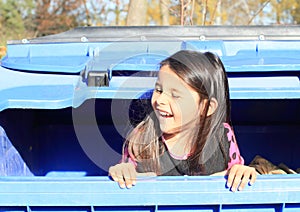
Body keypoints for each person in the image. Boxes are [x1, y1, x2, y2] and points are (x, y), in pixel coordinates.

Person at [109, 50, 257, 191]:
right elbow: (125, 176)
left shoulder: (222, 136)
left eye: (175, 95)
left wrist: (240, 171)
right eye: (159, 90)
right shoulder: (142, 137)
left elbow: (236, 172)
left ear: (206, 107)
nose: (160, 100)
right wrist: (122, 170)